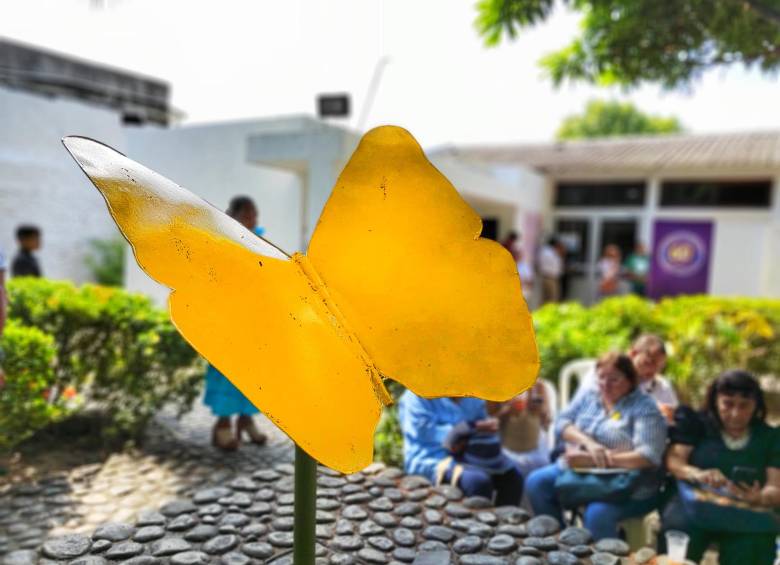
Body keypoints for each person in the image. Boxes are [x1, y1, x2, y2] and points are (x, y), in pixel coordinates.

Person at [526, 352, 667, 540]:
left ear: (630, 380)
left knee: (597, 514)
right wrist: (589, 443)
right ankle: (558, 545)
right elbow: (562, 422)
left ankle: (604, 557)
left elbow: (648, 457)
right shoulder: (590, 395)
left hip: (631, 484)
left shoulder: (644, 407)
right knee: (536, 482)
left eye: (614, 379)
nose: (605, 384)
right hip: (583, 473)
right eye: (601, 377)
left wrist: (595, 459)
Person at [661, 370, 779, 564]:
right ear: (715, 400)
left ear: (756, 405)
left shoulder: (770, 437)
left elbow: (776, 487)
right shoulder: (697, 424)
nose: (735, 413)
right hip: (692, 503)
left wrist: (760, 497)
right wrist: (698, 474)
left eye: (744, 406)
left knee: (752, 547)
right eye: (728, 404)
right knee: (678, 536)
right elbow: (675, 461)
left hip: (747, 512)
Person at [204, 196, 267, 450]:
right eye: (248, 213)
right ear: (235, 215)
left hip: (254, 319)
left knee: (253, 375)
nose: (253, 218)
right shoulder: (220, 241)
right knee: (227, 374)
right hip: (227, 319)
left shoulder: (261, 241)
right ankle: (222, 425)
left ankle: (246, 419)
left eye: (255, 213)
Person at [398, 390, 524, 506]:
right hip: (432, 459)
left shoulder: (472, 395)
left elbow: (481, 423)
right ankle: (477, 528)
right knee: (477, 482)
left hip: (471, 455)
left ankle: (505, 527)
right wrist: (465, 430)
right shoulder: (416, 396)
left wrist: (488, 426)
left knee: (514, 477)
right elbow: (424, 431)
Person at [489, 381, 551, 478]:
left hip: (536, 450)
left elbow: (547, 422)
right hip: (508, 452)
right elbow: (490, 422)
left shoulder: (538, 386)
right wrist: (508, 411)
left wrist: (540, 411)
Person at [539, 237, 564, 304]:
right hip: (550, 277)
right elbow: (556, 265)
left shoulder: (545, 251)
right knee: (552, 299)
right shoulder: (551, 253)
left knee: (545, 298)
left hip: (546, 276)